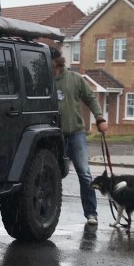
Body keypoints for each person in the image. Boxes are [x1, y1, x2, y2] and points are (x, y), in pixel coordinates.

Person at [50, 48, 107, 226]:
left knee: (84, 174)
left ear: (55, 62)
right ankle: (49, 214)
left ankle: (91, 213)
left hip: (75, 134)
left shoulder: (74, 79)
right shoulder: (44, 81)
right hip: (53, 137)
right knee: (51, 175)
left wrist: (100, 118)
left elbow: (91, 98)